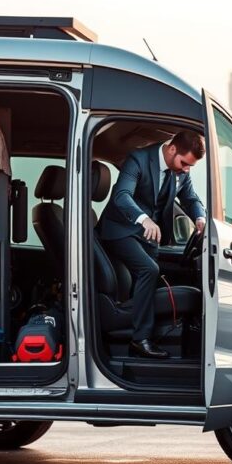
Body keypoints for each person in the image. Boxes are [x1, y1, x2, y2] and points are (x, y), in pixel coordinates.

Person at [97, 131, 206, 359]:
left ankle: (135, 327)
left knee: (153, 273)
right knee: (149, 269)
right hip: (119, 230)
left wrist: (200, 217)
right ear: (172, 149)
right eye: (185, 163)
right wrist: (143, 219)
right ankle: (140, 340)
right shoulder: (138, 159)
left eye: (190, 166)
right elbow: (122, 195)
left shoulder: (180, 173)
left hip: (147, 237)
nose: (186, 169)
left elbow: (190, 198)